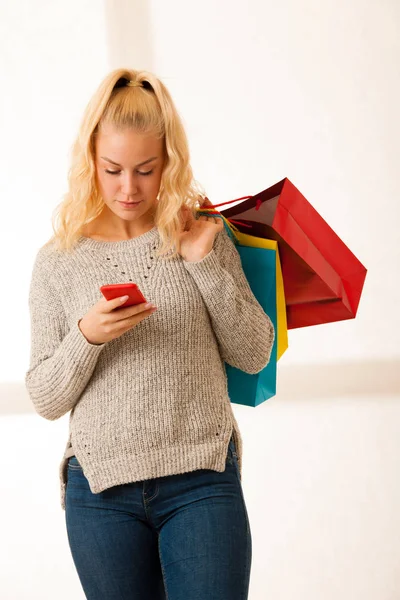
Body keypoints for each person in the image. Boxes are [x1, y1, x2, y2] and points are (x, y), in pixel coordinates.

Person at [25, 68, 275, 600]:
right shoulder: (58, 262)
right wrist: (86, 336)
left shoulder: (198, 233)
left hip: (201, 480)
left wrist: (204, 264)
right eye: (113, 169)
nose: (128, 188)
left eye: (146, 169)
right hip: (100, 492)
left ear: (170, 163)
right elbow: (46, 397)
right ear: (90, 159)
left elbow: (254, 353)